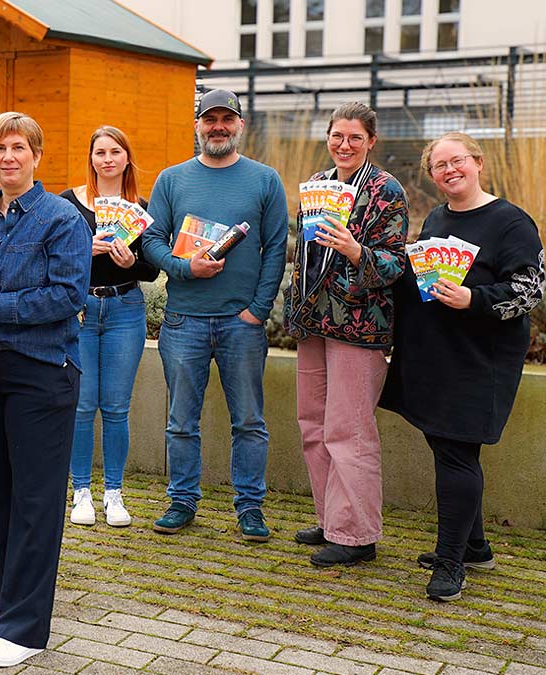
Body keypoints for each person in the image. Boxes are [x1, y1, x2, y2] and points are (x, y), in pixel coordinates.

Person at [380, 132, 544, 601]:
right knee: (450, 447)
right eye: (439, 166)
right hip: (436, 353)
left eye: (458, 162)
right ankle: (474, 546)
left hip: (480, 360)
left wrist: (473, 298)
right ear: (431, 176)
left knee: (456, 452)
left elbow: (529, 292)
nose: (450, 171)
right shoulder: (436, 217)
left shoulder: (511, 222)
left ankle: (451, 562)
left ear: (478, 163)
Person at [0, 111, 90, 668]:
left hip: (41, 371)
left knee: (36, 500)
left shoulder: (62, 219)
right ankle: (5, 600)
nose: (8, 157)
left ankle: (26, 630)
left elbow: (67, 295)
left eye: (18, 148)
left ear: (36, 155)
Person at [138, 89, 288, 541]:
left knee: (249, 421)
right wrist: (185, 267)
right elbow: (151, 241)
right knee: (181, 421)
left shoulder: (264, 180)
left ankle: (250, 508)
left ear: (240, 125)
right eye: (210, 119)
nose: (218, 127)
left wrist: (257, 311)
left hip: (240, 324)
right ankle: (182, 501)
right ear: (197, 125)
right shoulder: (171, 179)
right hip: (184, 320)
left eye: (227, 119)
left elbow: (278, 248)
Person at [282, 103, 409, 567]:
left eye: (355, 137)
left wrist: (357, 252)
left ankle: (356, 535)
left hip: (359, 325)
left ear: (371, 141)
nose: (344, 145)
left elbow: (397, 262)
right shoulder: (318, 186)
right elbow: (305, 259)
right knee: (312, 423)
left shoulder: (385, 190)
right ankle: (330, 518)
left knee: (349, 429)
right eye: (337, 136)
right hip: (314, 322)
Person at [60, 126, 158, 528]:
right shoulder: (69, 203)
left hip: (125, 308)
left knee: (116, 408)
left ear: (126, 159)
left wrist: (129, 263)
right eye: (100, 152)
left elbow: (153, 269)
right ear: (91, 158)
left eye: (115, 152)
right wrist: (86, 250)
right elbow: (55, 260)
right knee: (82, 406)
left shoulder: (142, 207)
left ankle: (113, 494)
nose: (108, 159)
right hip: (80, 310)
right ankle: (80, 491)